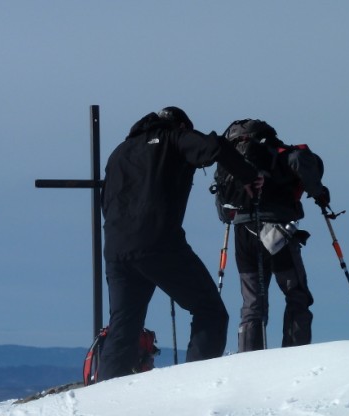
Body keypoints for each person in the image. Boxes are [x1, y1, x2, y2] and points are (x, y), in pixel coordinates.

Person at [97, 107, 263, 381]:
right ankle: (194, 386)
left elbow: (107, 201)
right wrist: (248, 176)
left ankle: (103, 398)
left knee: (123, 327)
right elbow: (215, 147)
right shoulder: (174, 138)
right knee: (210, 311)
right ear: (181, 125)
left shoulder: (119, 152)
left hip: (116, 248)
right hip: (158, 242)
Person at [222, 118, 330, 352]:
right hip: (275, 231)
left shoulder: (231, 159)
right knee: (296, 294)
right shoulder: (278, 152)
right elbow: (301, 161)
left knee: (252, 304)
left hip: (242, 233)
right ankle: (293, 355)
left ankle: (249, 360)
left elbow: (223, 209)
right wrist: (319, 193)